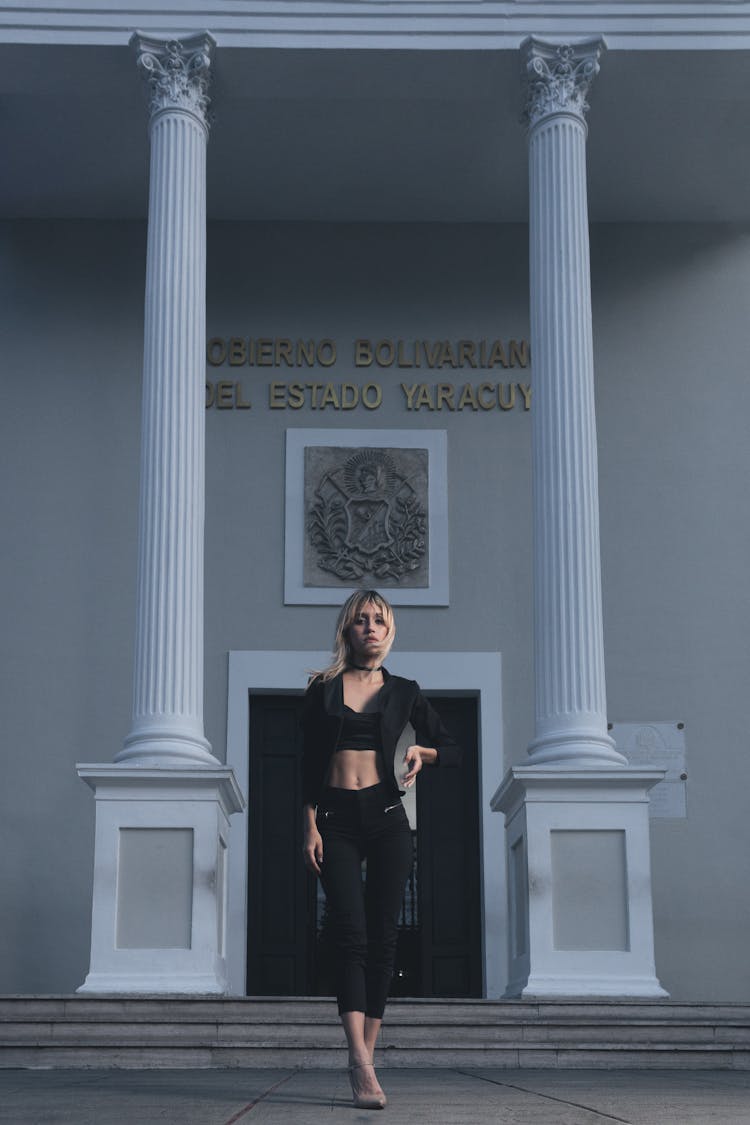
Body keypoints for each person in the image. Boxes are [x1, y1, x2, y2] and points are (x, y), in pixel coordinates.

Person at [301, 589, 460, 1109]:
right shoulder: (321, 689)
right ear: (347, 630)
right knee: (350, 932)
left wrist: (423, 750)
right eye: (362, 619)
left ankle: (362, 1062)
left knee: (384, 937)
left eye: (380, 620)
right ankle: (361, 1060)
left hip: (388, 817)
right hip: (335, 819)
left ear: (390, 632)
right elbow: (304, 766)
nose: (372, 627)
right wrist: (310, 826)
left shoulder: (406, 691)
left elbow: (453, 749)